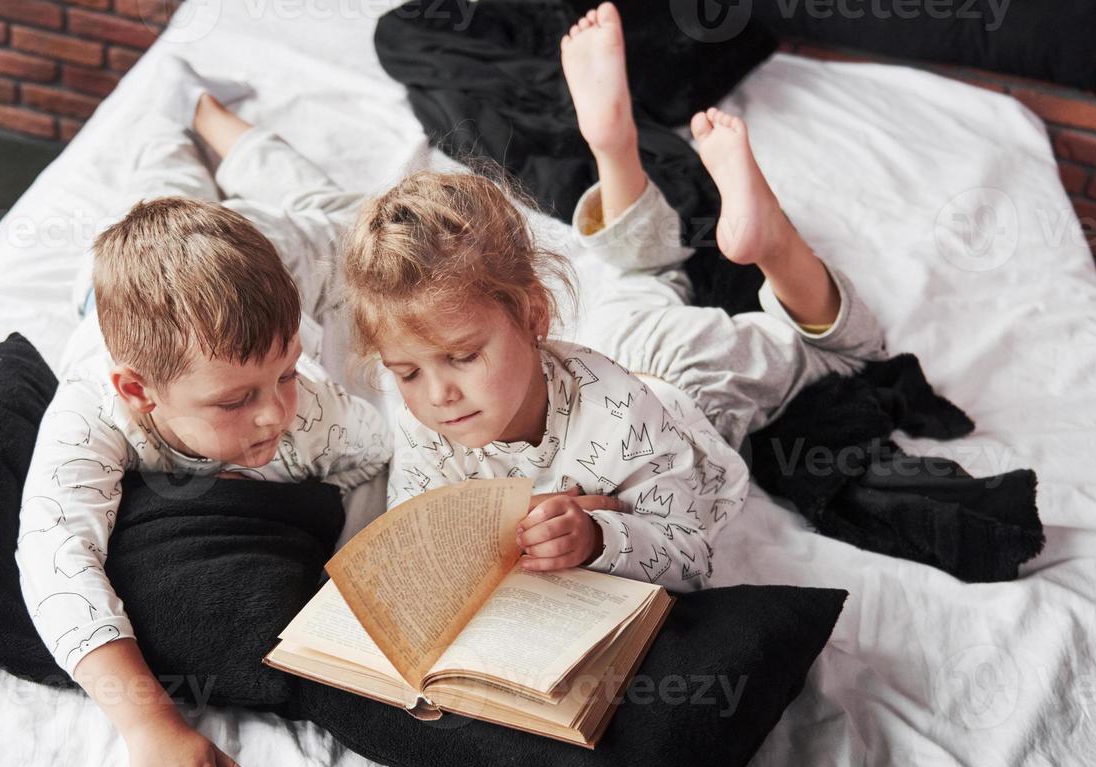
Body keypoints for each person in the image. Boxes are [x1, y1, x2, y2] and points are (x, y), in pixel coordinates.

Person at [339, 2, 886, 589]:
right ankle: (613, 146)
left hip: (685, 375)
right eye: (407, 373)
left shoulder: (623, 416)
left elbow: (689, 552)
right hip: (613, 333)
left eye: (463, 356)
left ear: (534, 316)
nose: (439, 395)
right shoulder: (425, 430)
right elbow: (416, 533)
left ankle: (773, 243)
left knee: (850, 354)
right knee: (644, 273)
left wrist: (602, 536)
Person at [16, 63, 389, 767]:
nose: (275, 415)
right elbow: (53, 555)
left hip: (281, 246)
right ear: (135, 393)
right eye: (235, 401)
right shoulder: (94, 407)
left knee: (345, 218)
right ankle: (176, 100)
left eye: (287, 375)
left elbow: (381, 460)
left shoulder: (307, 408)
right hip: (120, 293)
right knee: (157, 186)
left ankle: (217, 118)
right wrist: (148, 723)